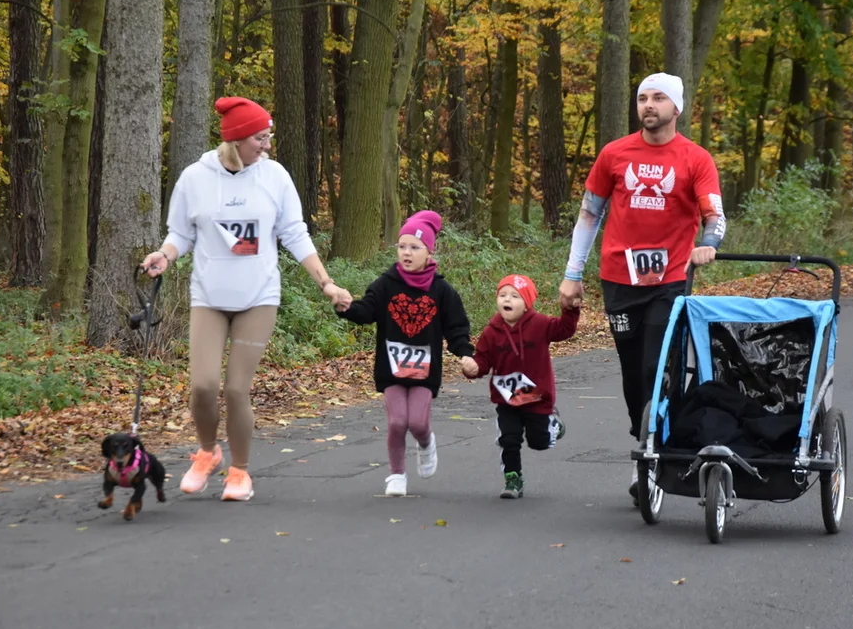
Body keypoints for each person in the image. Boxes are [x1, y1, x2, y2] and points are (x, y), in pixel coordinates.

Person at [140, 96, 351, 502]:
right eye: (260, 137)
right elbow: (181, 234)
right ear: (236, 140)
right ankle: (207, 451)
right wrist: (163, 256)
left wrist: (326, 282)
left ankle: (240, 470)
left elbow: (294, 233)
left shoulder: (274, 177)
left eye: (268, 136)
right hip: (209, 297)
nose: (267, 145)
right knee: (202, 386)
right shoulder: (194, 178)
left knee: (237, 389)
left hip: (258, 297)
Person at [557, 72, 727, 504]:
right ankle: (646, 441)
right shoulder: (614, 154)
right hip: (618, 277)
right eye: (643, 98)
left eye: (658, 98)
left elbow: (715, 218)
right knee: (634, 376)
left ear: (677, 107)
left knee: (655, 368)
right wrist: (572, 274)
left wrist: (707, 245)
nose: (649, 105)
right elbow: (589, 216)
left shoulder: (696, 158)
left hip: (669, 279)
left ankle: (655, 459)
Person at [334, 211, 476, 497]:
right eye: (402, 246)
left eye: (415, 247)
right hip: (392, 368)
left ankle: (426, 443)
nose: (407, 253)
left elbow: (456, 326)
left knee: (418, 423)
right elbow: (367, 310)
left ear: (429, 251)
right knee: (398, 421)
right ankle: (397, 475)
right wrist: (346, 307)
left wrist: (464, 354)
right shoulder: (386, 284)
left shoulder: (442, 290)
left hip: (425, 371)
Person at [462, 274, 579, 498]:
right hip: (506, 399)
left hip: (537, 397)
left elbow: (565, 330)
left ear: (526, 304)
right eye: (503, 295)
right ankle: (513, 479)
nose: (508, 299)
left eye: (515, 296)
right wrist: (473, 368)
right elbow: (483, 361)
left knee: (539, 443)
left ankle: (553, 423)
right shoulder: (491, 332)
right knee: (509, 439)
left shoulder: (541, 324)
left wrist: (571, 310)